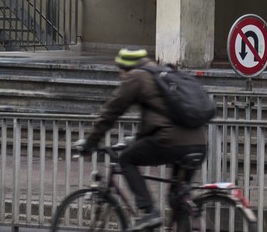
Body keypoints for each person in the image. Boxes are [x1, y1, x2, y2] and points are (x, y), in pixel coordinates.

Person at [74, 47, 208, 231]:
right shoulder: (161, 73)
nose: (120, 74)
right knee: (177, 198)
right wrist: (137, 140)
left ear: (125, 66)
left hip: (171, 141)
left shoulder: (136, 76)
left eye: (120, 69)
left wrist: (90, 142)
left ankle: (148, 211)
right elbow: (159, 115)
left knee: (127, 159)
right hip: (198, 143)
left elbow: (111, 111)